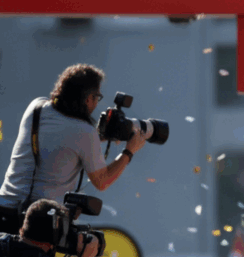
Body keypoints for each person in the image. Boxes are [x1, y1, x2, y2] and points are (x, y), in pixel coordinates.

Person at [0, 64, 146, 227]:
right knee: (92, 243)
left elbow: (59, 141)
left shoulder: (36, 108)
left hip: (4, 209)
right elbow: (102, 182)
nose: (97, 103)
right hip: (39, 222)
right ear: (88, 98)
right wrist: (129, 151)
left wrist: (98, 138)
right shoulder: (85, 132)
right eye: (97, 97)